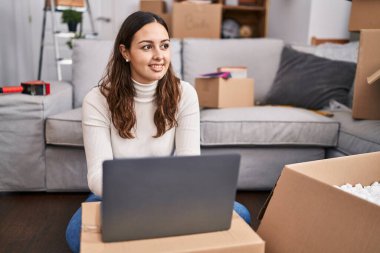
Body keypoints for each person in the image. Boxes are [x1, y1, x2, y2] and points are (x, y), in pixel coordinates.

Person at [65, 11, 251, 253]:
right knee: (75, 233)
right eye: (146, 47)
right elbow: (97, 176)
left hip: (170, 193)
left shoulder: (184, 93)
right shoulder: (97, 100)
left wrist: (167, 196)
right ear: (125, 52)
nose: (159, 56)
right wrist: (142, 196)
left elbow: (188, 161)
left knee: (240, 215)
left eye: (164, 45)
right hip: (119, 196)